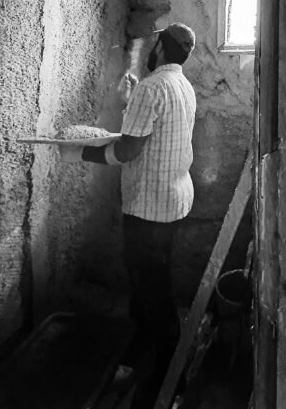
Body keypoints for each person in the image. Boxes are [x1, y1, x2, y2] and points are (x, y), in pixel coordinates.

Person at [73, 21, 197, 409]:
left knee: (153, 293)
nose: (147, 49)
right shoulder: (182, 86)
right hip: (174, 202)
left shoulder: (152, 87)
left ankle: (166, 378)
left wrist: (78, 151)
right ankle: (136, 357)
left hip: (149, 209)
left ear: (160, 48)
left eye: (153, 43)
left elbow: (128, 152)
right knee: (149, 285)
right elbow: (150, 135)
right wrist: (131, 104)